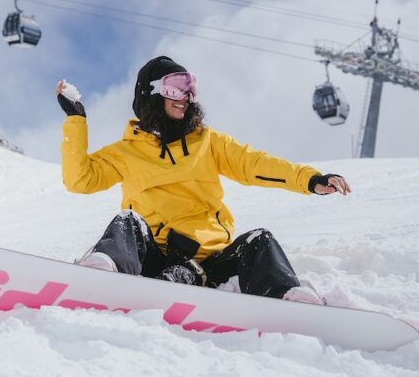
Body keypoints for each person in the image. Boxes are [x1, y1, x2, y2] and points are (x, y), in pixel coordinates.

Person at [56, 56, 351, 305]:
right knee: (128, 221)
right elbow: (80, 180)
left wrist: (310, 179)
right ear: (151, 94)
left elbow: (255, 163)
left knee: (259, 240)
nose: (185, 96)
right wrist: (75, 121)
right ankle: (103, 274)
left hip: (212, 262)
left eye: (189, 88)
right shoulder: (126, 152)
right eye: (175, 88)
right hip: (154, 257)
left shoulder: (208, 142)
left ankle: (286, 296)